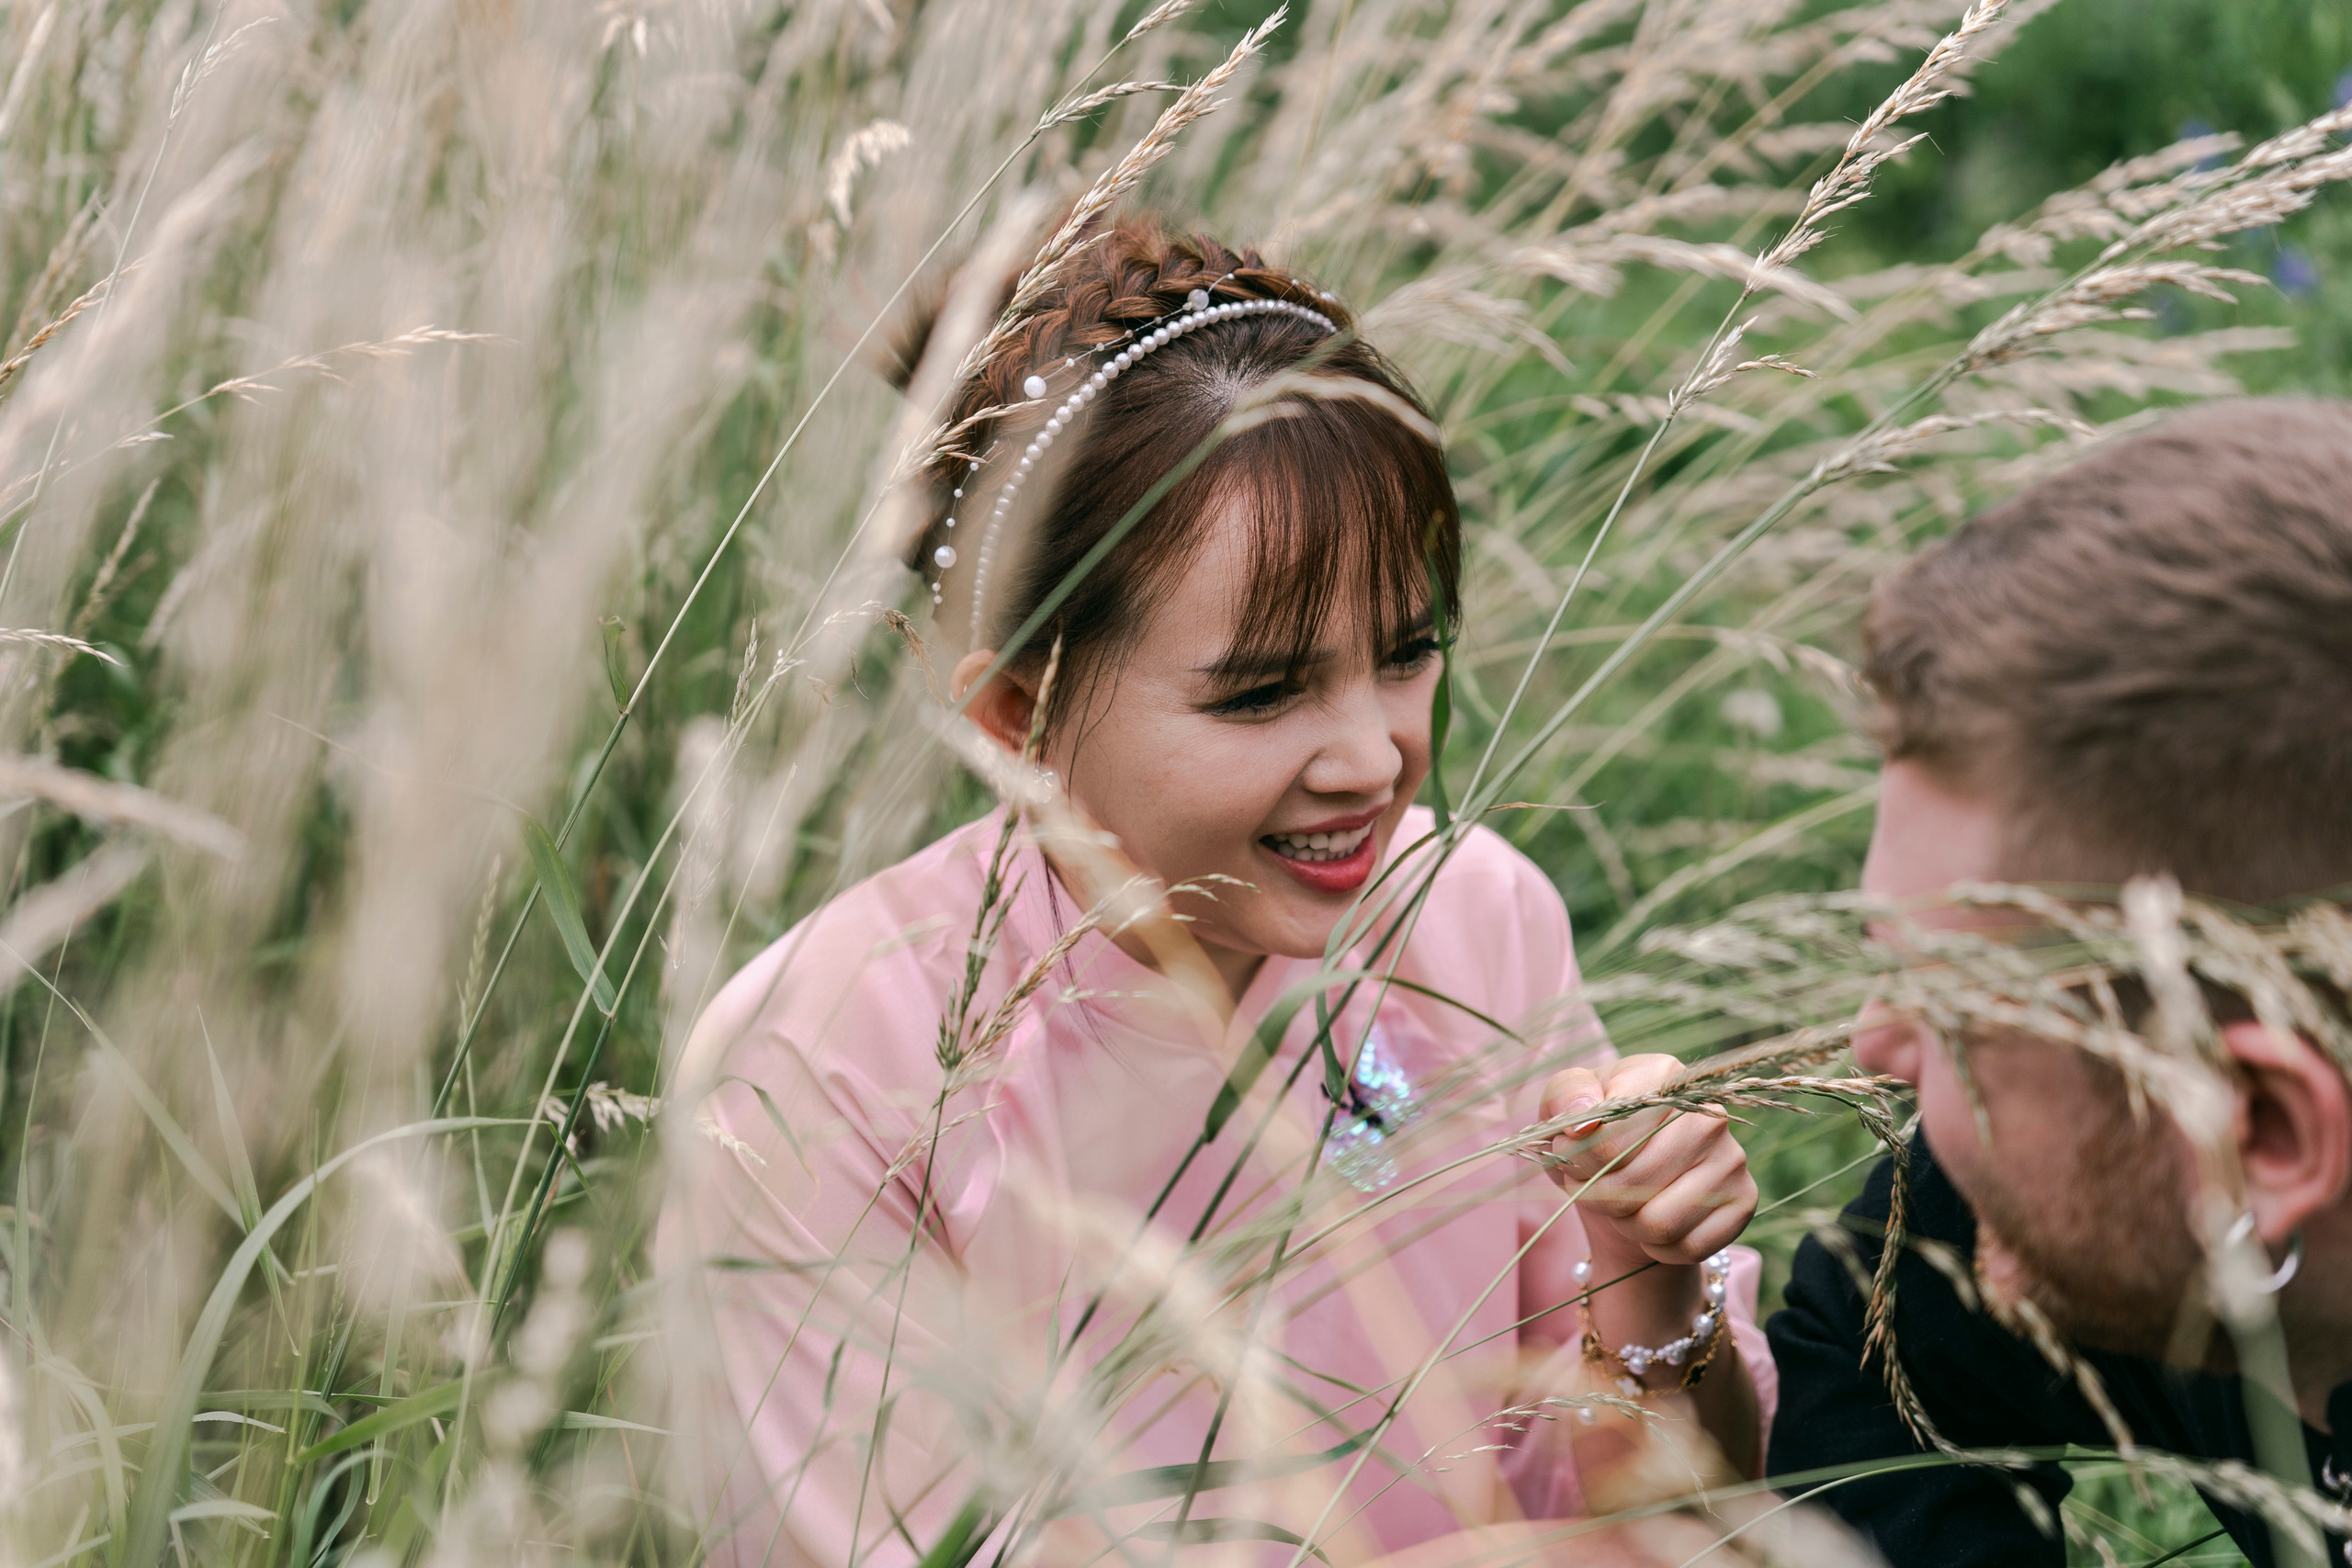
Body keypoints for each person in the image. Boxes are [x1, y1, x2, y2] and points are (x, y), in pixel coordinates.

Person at [657, 216, 1774, 1568]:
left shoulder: (1472, 912)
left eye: (1409, 651)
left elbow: (1685, 1518)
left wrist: (1642, 1255)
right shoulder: (827, 1055)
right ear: (1017, 712)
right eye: (1261, 691)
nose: (1373, 757)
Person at [1766, 400, 2352, 1566]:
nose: (1868, 1040)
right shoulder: (2150, 1185)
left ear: (2261, 1136)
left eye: (1947, 1007)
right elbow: (1864, 1347)